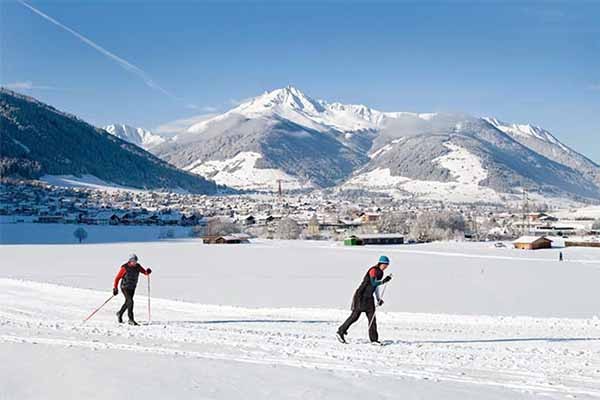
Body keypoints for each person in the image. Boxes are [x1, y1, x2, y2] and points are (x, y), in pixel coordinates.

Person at [337, 256, 392, 345]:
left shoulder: (381, 273)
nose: (386, 267)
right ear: (380, 263)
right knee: (355, 317)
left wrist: (378, 299)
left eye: (387, 265)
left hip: (369, 298)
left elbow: (375, 287)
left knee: (372, 318)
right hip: (360, 296)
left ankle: (374, 340)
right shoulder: (373, 270)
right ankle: (341, 331)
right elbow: (373, 282)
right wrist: (383, 281)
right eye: (385, 264)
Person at [113, 254, 152, 326]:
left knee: (128, 302)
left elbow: (145, 273)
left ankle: (120, 313)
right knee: (130, 301)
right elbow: (117, 278)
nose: (135, 262)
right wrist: (115, 288)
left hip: (132, 287)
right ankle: (131, 319)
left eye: (136, 261)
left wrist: (148, 272)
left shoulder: (138, 267)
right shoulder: (125, 268)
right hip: (125, 287)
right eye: (133, 261)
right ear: (130, 261)